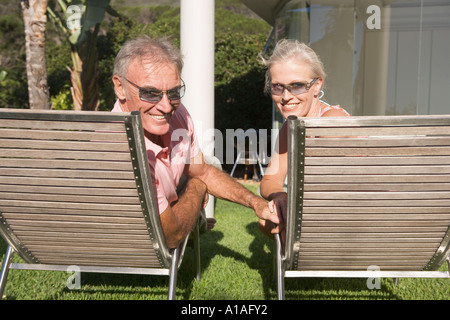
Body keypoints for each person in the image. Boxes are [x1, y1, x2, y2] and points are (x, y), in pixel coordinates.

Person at [111, 35, 280, 248]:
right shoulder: (123, 150)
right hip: (138, 242)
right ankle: (197, 222)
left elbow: (202, 171)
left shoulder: (178, 114)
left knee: (210, 165)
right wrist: (197, 188)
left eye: (173, 92)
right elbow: (170, 236)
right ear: (120, 87)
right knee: (197, 181)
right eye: (150, 93)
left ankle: (197, 221)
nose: (165, 106)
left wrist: (256, 203)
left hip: (169, 198)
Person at [259, 39, 350, 240]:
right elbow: (270, 180)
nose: (286, 96)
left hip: (354, 215)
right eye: (277, 87)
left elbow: (330, 188)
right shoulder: (289, 129)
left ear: (317, 86)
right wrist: (279, 196)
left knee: (275, 219)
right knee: (271, 217)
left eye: (297, 86)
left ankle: (294, 261)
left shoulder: (333, 120)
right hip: (328, 212)